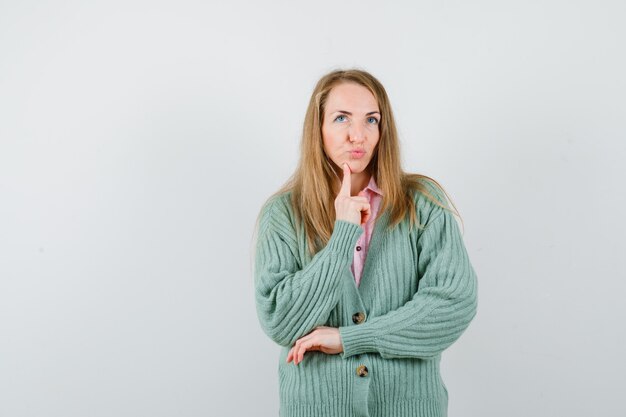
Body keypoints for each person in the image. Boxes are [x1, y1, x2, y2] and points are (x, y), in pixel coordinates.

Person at [252, 68, 478, 417]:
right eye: (341, 118)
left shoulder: (422, 202)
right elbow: (281, 321)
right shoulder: (283, 213)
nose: (358, 135)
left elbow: (452, 306)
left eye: (371, 120)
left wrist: (349, 338)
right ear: (318, 129)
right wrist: (342, 235)